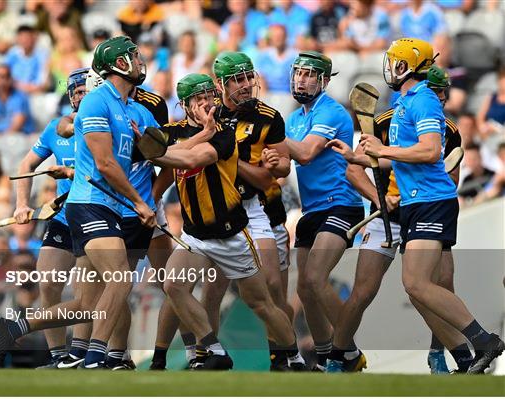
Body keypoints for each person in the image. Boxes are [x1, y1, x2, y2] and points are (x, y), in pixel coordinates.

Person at [0, 36, 157, 369]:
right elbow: (100, 160)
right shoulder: (92, 108)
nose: (141, 61)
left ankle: (18, 330)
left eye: (85, 89)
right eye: (134, 56)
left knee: (89, 299)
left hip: (106, 205)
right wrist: (139, 201)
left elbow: (138, 155)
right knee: (110, 279)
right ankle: (90, 357)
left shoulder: (127, 110)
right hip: (88, 205)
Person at [359, 37, 504, 374]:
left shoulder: (423, 99)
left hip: (431, 200)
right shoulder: (405, 101)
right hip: (416, 202)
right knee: (419, 288)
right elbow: (401, 159)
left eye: (394, 61)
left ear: (407, 66)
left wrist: (383, 151)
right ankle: (474, 350)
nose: (388, 67)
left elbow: (428, 151)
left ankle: (483, 341)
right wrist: (359, 157)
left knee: (418, 284)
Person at [149, 73, 305, 371]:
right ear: (185, 105)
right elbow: (147, 152)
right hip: (195, 235)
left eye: (209, 95)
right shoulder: (173, 131)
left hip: (230, 234)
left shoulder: (222, 135)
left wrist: (160, 151)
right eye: (198, 99)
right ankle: (212, 349)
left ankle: (293, 355)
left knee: (262, 304)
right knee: (174, 286)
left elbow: (188, 160)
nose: (207, 102)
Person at [326, 64, 474, 374]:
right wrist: (380, 197)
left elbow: (452, 178)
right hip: (387, 217)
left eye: (442, 93)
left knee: (441, 288)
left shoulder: (448, 129)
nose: (440, 99)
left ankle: (440, 355)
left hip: (424, 213)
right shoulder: (383, 121)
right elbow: (354, 170)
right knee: (362, 291)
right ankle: (338, 359)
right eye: (436, 91)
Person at [284, 50, 365, 371]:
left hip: (341, 205)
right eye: (298, 73)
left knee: (316, 279)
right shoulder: (293, 118)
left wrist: (272, 134)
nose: (301, 79)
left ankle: (347, 351)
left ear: (324, 81)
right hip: (312, 209)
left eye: (308, 74)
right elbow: (283, 162)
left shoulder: (332, 113)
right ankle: (325, 356)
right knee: (304, 287)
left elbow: (303, 153)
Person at [11, 68, 87, 368]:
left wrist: (71, 174)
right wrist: (21, 205)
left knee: (85, 295)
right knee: (48, 283)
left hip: (95, 217)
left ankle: (82, 355)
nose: (81, 96)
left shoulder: (101, 125)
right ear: (70, 97)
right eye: (76, 92)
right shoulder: (56, 128)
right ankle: (59, 358)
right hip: (63, 218)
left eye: (85, 90)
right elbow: (27, 163)